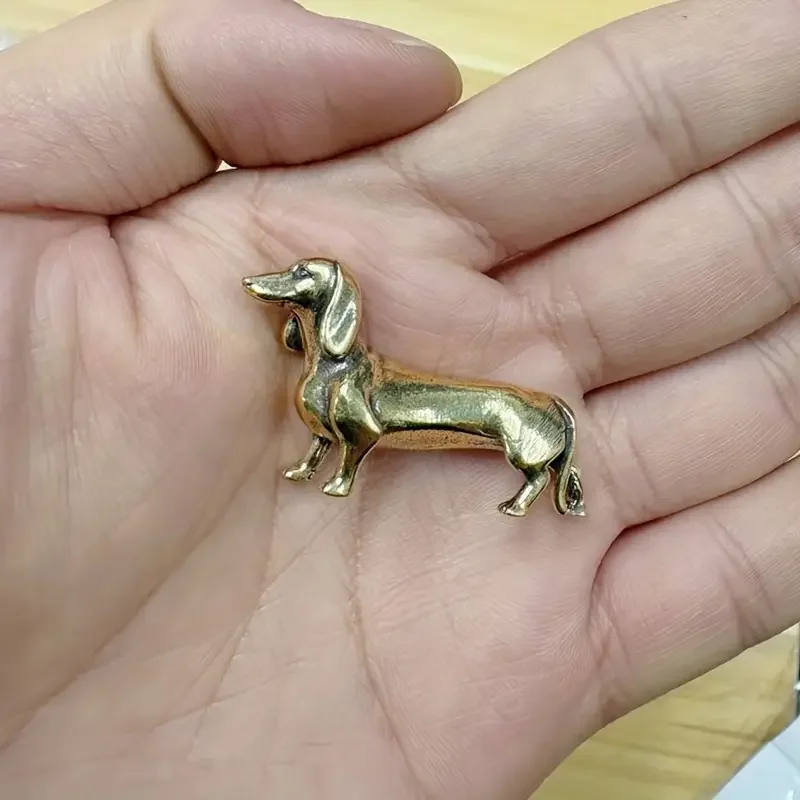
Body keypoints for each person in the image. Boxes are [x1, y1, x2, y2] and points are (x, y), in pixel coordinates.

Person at [0, 0, 798, 796]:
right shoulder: (326, 375)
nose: (285, 288)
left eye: (301, 285)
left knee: (485, 422)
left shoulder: (356, 379)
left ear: (327, 299)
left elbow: (359, 425)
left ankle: (534, 481)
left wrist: (346, 464)